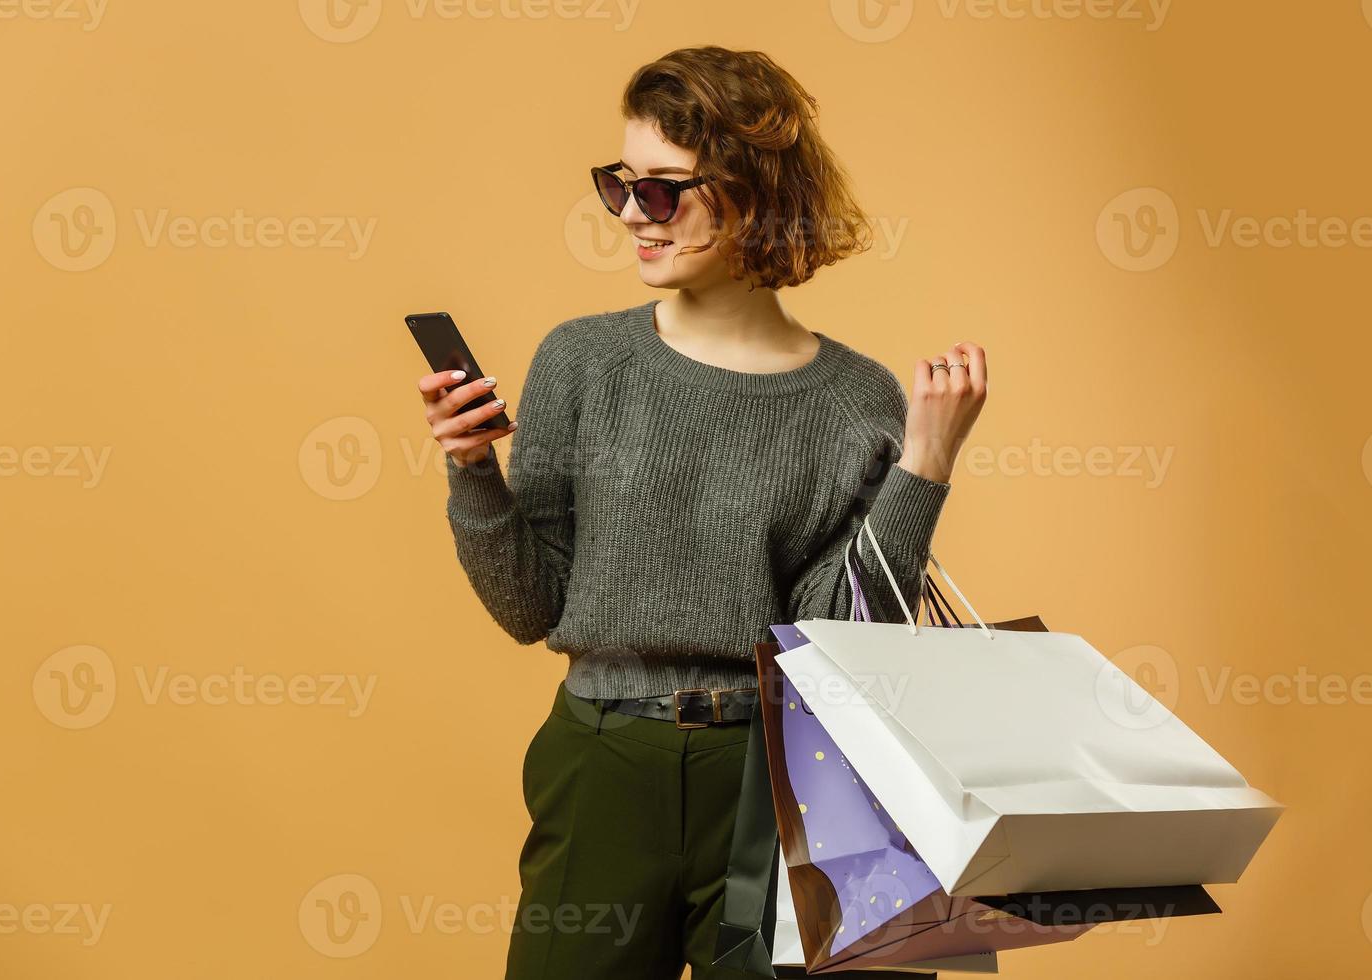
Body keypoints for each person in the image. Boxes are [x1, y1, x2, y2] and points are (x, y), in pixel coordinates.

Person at [417, 45, 987, 980]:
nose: (632, 217)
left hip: (777, 783)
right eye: (621, 184)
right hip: (599, 766)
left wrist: (924, 465)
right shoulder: (583, 362)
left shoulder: (856, 401)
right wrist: (473, 467)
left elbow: (842, 639)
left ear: (754, 193)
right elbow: (531, 606)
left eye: (665, 190)